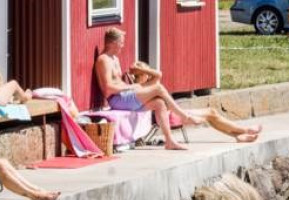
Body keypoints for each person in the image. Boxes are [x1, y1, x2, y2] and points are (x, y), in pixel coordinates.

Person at [94, 29, 262, 147]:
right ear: (113, 42)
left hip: (159, 105)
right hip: (151, 106)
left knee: (166, 102)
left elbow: (157, 75)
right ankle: (189, 117)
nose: (123, 46)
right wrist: (135, 83)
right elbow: (108, 88)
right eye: (121, 42)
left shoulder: (120, 65)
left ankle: (239, 134)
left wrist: (136, 84)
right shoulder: (104, 60)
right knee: (209, 113)